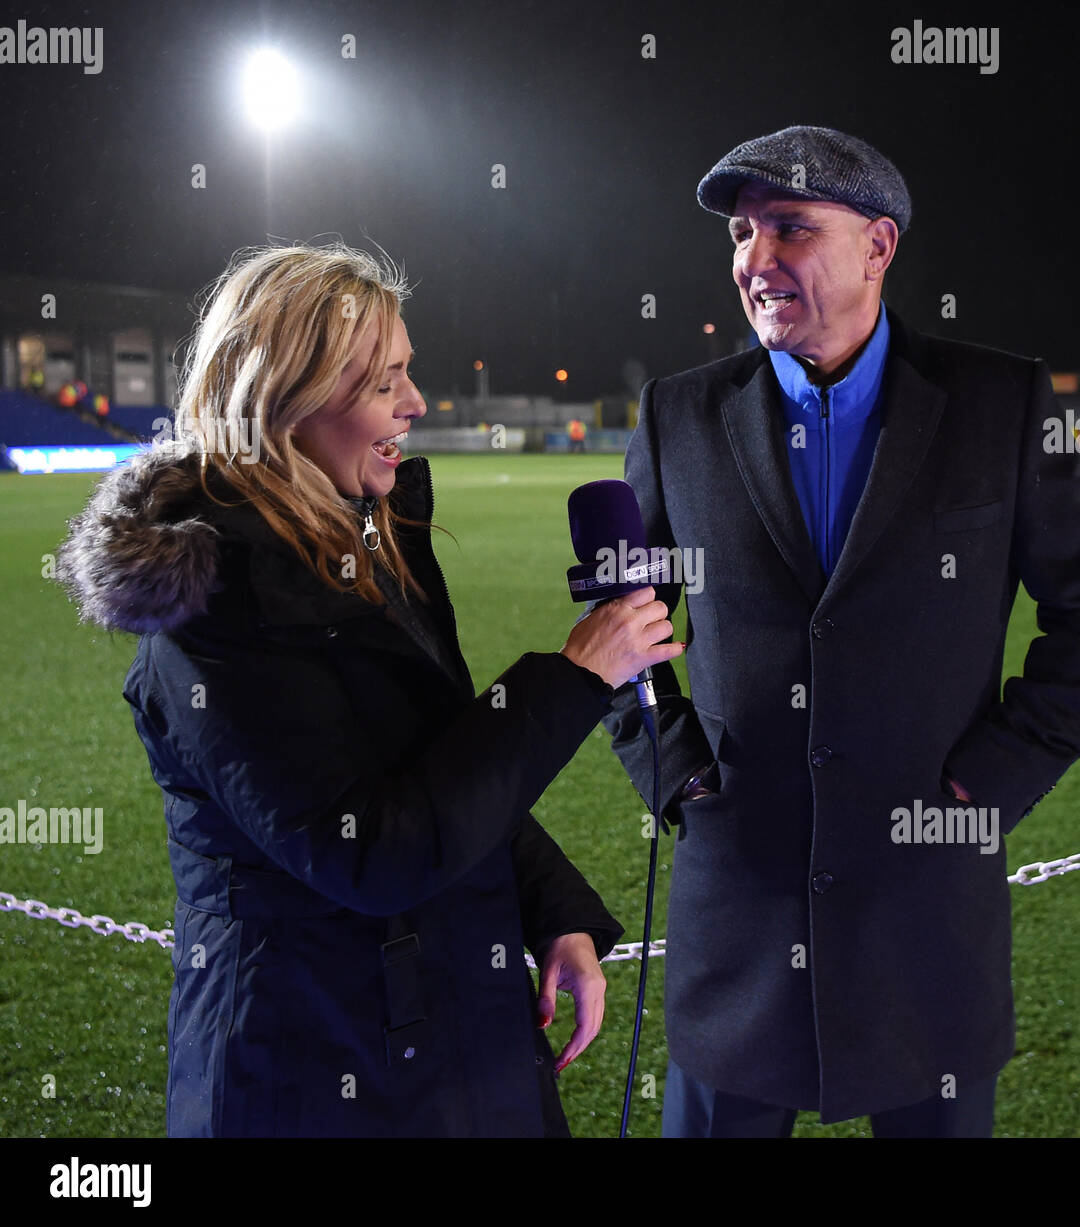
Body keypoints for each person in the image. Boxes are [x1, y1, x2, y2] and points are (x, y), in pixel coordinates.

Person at [57, 242, 683, 1137]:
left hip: (452, 1032)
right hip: (311, 1063)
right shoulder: (215, 607)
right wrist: (575, 677)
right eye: (383, 379)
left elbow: (439, 757)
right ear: (290, 399)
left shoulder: (369, 536)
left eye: (408, 371)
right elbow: (373, 851)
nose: (416, 403)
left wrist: (552, 910)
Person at [601, 126, 1080, 1137]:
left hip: (925, 919)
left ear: (878, 245)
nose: (755, 262)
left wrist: (994, 779)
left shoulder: (998, 401)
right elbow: (616, 623)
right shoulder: (677, 414)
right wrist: (672, 769)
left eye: (790, 229)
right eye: (741, 235)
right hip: (739, 921)